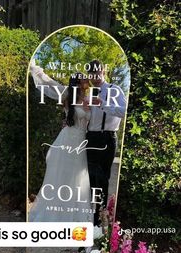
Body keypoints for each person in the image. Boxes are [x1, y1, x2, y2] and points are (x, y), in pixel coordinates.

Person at [28, 65, 94, 222]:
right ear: (78, 82)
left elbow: (93, 122)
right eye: (84, 79)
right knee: (61, 175)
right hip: (67, 138)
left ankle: (75, 216)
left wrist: (88, 108)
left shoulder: (89, 99)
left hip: (81, 140)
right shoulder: (67, 94)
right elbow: (50, 83)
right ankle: (56, 214)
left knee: (79, 176)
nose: (87, 81)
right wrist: (37, 71)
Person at [86, 60, 126, 225]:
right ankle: (92, 216)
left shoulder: (114, 90)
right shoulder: (87, 93)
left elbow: (123, 111)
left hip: (107, 137)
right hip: (90, 138)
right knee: (91, 179)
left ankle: (99, 217)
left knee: (103, 178)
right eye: (91, 73)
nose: (94, 76)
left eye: (97, 72)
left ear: (103, 71)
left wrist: (102, 104)